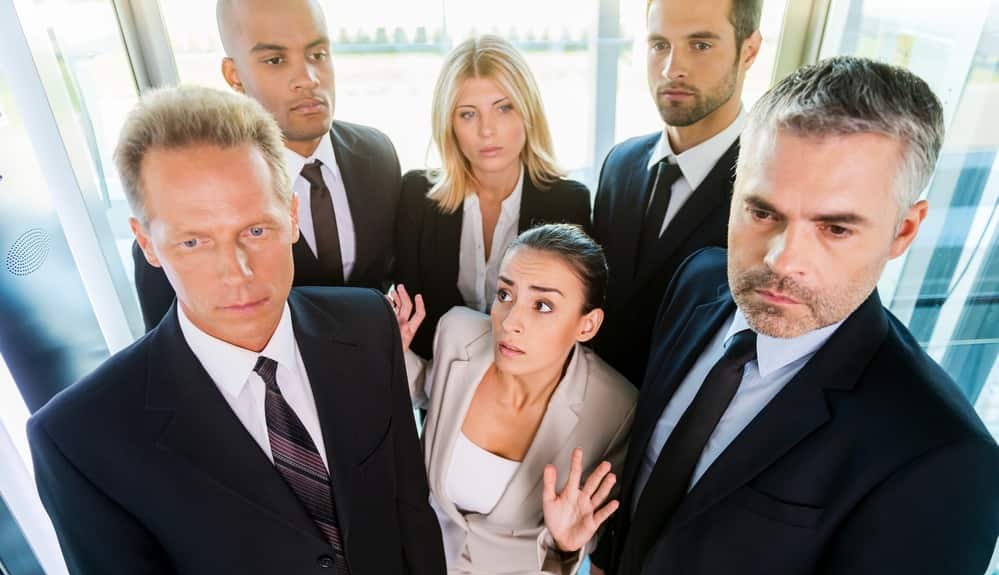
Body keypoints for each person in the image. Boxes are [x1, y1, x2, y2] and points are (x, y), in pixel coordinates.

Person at [590, 57, 999, 575]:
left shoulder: (942, 462)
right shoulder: (700, 281)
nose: (782, 260)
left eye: (835, 228)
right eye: (762, 212)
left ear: (903, 231)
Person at [29, 86, 450, 575]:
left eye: (255, 229)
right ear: (148, 243)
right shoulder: (80, 440)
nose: (238, 272)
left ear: (292, 214)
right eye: (195, 241)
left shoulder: (367, 321)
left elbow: (404, 482)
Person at [391, 224, 635, 575]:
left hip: (537, 563)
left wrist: (568, 542)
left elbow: (597, 520)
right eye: (505, 295)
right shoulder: (458, 333)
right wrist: (395, 354)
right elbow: (430, 388)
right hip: (454, 555)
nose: (510, 322)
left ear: (587, 324)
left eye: (542, 305)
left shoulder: (615, 407)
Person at [132, 0, 402, 331]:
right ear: (234, 75)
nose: (307, 79)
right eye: (275, 60)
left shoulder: (378, 154)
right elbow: (171, 353)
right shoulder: (179, 220)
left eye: (317, 55)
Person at [590, 0, 762, 388]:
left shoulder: (770, 195)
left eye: (700, 45)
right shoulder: (619, 162)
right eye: (659, 45)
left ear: (748, 51)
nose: (672, 69)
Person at [394, 35, 591, 359]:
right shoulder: (417, 197)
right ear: (450, 124)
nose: (487, 130)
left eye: (504, 108)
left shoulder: (568, 204)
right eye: (468, 114)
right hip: (435, 388)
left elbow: (565, 327)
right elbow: (412, 324)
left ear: (528, 111)